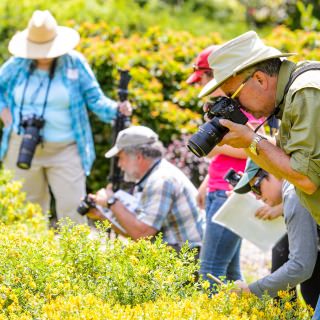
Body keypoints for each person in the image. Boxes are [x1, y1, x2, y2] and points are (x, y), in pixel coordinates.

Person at [197, 31, 320, 315]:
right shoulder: (294, 94)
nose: (236, 108)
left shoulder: (306, 94)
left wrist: (249, 140)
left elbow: (306, 178)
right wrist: (246, 139)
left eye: (233, 97)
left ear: (261, 80)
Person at [0, 10, 131, 224]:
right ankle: (31, 258)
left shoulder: (74, 64)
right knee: (25, 212)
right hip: (22, 145)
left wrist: (117, 110)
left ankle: (73, 257)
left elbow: (95, 99)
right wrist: (6, 117)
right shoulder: (17, 65)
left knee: (73, 210)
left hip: (66, 149)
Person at [187, 45, 265, 286]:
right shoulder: (223, 105)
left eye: (205, 78)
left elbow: (257, 148)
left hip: (230, 193)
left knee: (210, 270)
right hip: (218, 189)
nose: (202, 86)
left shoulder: (244, 105)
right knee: (230, 273)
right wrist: (205, 186)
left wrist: (215, 145)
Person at [88, 125, 203, 254]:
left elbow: (142, 235)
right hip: (181, 252)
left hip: (191, 256)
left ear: (138, 156)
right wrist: (102, 216)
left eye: (120, 157)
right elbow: (134, 231)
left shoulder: (161, 180)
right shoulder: (152, 177)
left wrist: (111, 201)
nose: (119, 165)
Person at [232, 159, 320, 309]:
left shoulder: (293, 194)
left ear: (273, 171)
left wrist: (251, 291)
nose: (257, 197)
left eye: (257, 188)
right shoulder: (298, 184)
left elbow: (300, 266)